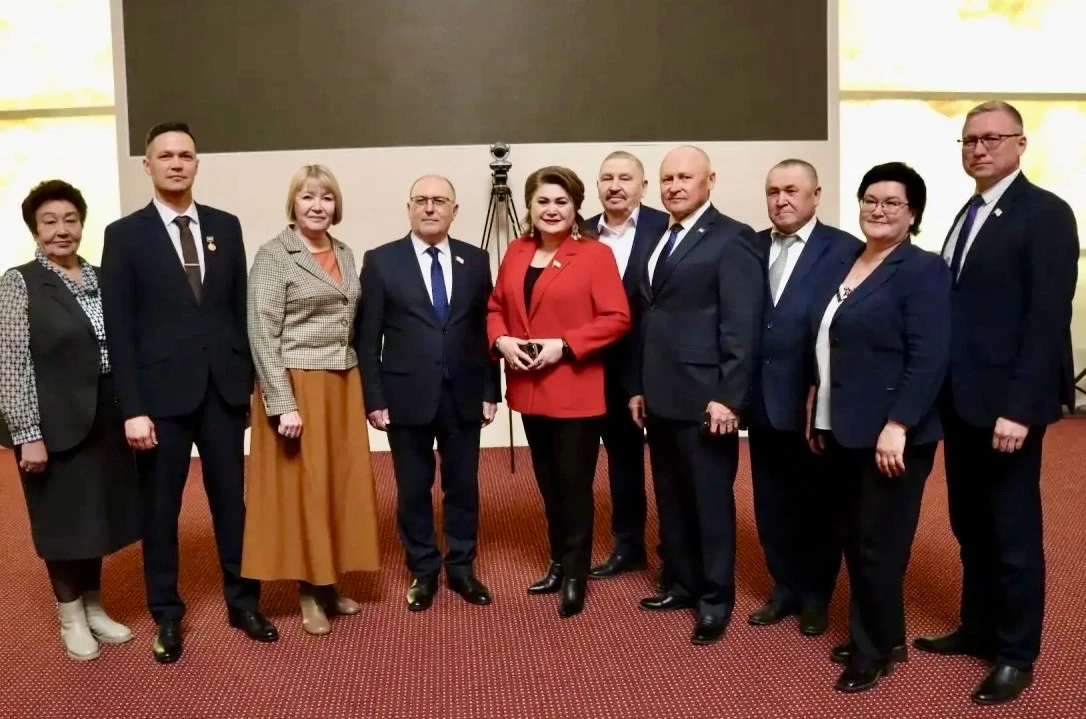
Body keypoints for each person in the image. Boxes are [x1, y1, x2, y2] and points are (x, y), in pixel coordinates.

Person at [913, 101, 1080, 706]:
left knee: (1012, 533)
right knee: (970, 524)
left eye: (991, 138)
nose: (978, 149)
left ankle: (1015, 653)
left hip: (1007, 407)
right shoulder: (969, 211)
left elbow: (1046, 319)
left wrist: (1021, 407)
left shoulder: (1046, 213)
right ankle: (978, 626)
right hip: (962, 403)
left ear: (1020, 143)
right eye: (969, 140)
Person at [101, 121, 277, 664]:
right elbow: (120, 329)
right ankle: (167, 613)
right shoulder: (124, 235)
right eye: (166, 156)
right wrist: (132, 408)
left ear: (196, 164)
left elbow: (239, 309)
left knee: (232, 505)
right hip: (159, 400)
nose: (176, 163)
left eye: (185, 155)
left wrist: (247, 383)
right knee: (161, 511)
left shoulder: (226, 225)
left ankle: (243, 602)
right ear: (147, 166)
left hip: (222, 392)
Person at [808, 162, 951, 693]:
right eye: (870, 199)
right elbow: (830, 340)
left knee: (878, 544)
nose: (878, 209)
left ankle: (870, 651)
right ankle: (884, 635)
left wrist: (899, 423)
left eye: (892, 202)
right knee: (853, 535)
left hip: (892, 432)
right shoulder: (848, 261)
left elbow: (929, 356)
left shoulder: (922, 269)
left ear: (913, 213)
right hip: (842, 424)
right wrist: (818, 408)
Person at [627, 145, 763, 646]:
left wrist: (730, 396)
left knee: (709, 502)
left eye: (685, 177)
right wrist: (639, 386)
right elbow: (650, 316)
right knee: (671, 496)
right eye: (667, 179)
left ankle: (715, 599)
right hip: (661, 394)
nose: (675, 186)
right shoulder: (658, 237)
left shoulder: (733, 238)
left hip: (707, 399)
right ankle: (681, 583)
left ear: (710, 181)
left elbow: (741, 325)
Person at [0, 180, 141, 661]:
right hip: (52, 422)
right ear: (34, 230)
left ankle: (95, 608)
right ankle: (71, 617)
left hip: (105, 415)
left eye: (70, 220)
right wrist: (28, 434)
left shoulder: (100, 277)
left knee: (95, 515)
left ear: (82, 223)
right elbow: (11, 364)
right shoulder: (19, 282)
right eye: (49, 222)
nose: (62, 230)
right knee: (61, 519)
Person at [242, 164, 381, 635]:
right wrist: (283, 402)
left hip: (341, 382)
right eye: (307, 197)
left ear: (335, 205)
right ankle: (307, 591)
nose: (317, 206)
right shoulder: (273, 255)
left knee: (337, 484)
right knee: (303, 488)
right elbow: (262, 333)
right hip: (297, 384)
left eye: (325, 197)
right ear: (293, 204)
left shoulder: (344, 251)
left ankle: (329, 581)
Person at [487, 166, 630, 618]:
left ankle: (575, 575)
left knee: (573, 487)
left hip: (574, 390)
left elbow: (617, 318)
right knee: (548, 484)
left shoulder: (595, 255)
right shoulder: (516, 251)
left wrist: (564, 345)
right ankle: (557, 562)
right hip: (528, 388)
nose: (552, 210)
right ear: (529, 207)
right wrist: (500, 340)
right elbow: (496, 306)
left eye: (561, 202)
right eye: (543, 201)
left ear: (575, 208)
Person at [356, 175, 499, 612]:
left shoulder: (476, 260)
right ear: (409, 208)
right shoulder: (382, 261)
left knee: (463, 486)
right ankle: (423, 569)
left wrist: (491, 389)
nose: (430, 208)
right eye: (421, 200)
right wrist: (374, 397)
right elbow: (367, 337)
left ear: (455, 210)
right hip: (405, 396)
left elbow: (486, 329)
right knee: (413, 488)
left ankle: (461, 567)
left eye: (439, 201)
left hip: (464, 393)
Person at [746, 159, 861, 637]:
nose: (781, 200)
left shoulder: (846, 249)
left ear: (816, 195)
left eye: (792, 190)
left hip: (814, 400)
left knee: (818, 505)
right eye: (773, 192)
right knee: (771, 503)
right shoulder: (750, 246)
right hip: (760, 398)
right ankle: (785, 587)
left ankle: (816, 596)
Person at [583, 151, 669, 581]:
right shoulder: (579, 232)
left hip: (655, 367)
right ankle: (629, 545)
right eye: (607, 178)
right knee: (622, 461)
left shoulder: (666, 227)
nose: (615, 186)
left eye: (625, 178)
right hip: (594, 368)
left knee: (670, 465)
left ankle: (675, 553)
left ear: (643, 186)